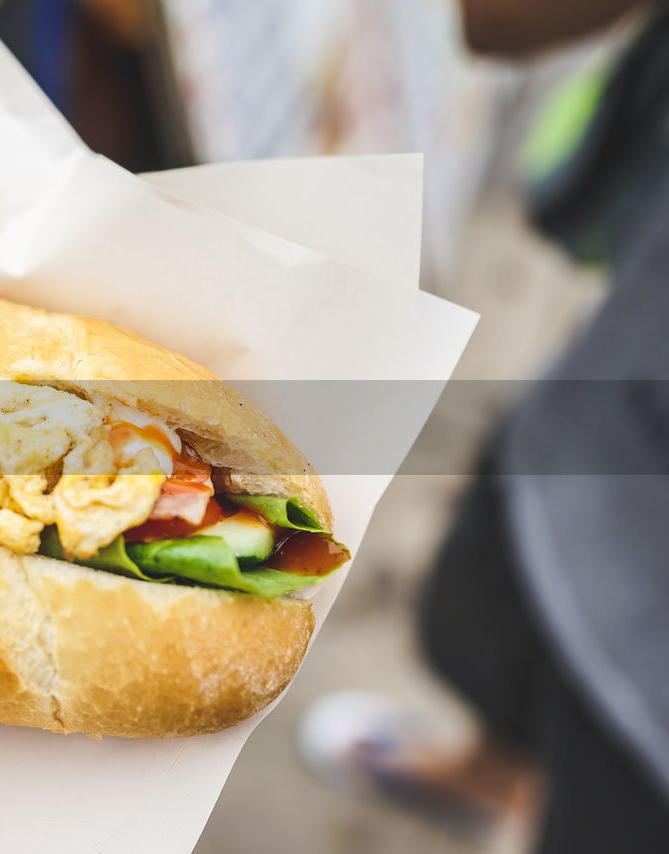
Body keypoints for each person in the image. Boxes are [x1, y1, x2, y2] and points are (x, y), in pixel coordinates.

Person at [301, 2, 669, 851]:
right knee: (498, 591)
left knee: (615, 787)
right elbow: (493, 22)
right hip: (630, 358)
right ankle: (491, 776)